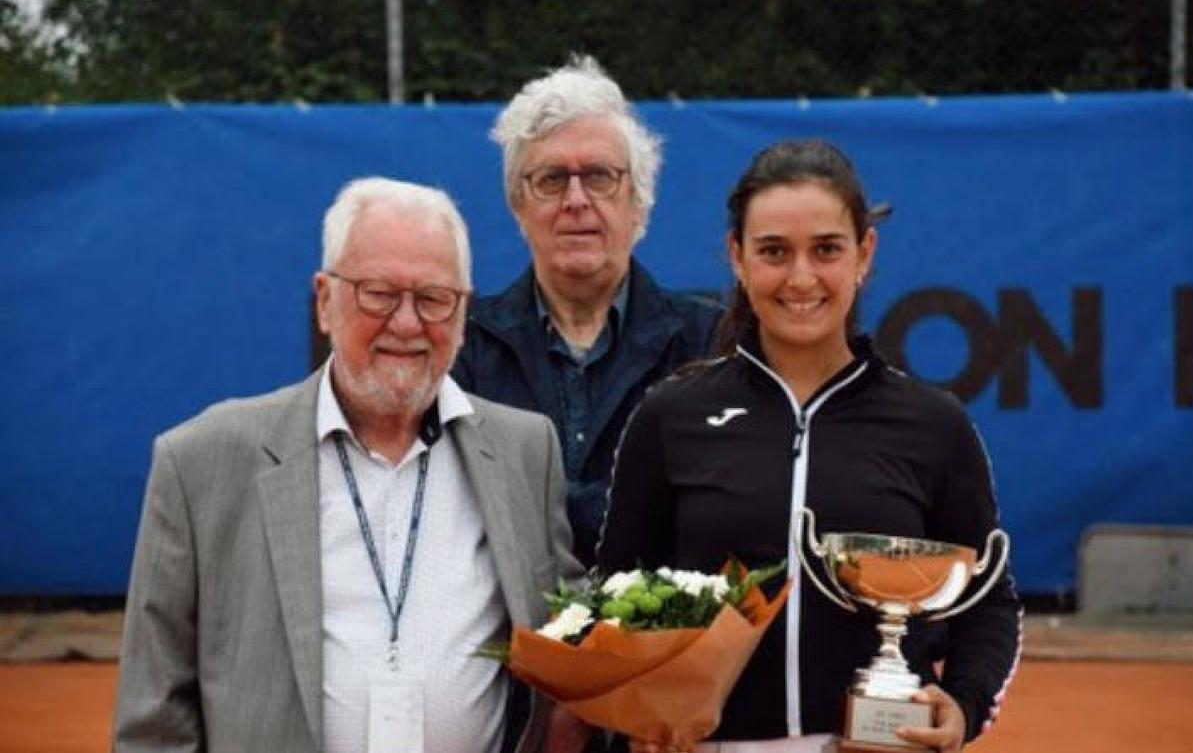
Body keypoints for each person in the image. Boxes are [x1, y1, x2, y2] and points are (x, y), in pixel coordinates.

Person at [113, 177, 582, 753]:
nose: (407, 324)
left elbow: (565, 652)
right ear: (325, 300)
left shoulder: (526, 452)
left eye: (434, 298)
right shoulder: (202, 461)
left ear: (462, 313)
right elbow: (154, 721)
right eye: (378, 293)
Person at [597, 140, 1021, 753]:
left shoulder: (934, 424)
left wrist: (964, 703)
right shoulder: (671, 415)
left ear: (864, 255)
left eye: (826, 249)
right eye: (774, 251)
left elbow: (989, 601)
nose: (801, 278)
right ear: (738, 259)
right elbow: (617, 591)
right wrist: (639, 710)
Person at [452, 55, 722, 569]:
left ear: (638, 201)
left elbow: (712, 511)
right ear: (518, 204)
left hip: (664, 643)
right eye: (552, 179)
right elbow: (462, 510)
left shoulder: (708, 343)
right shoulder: (462, 345)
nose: (575, 200)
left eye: (599, 176)